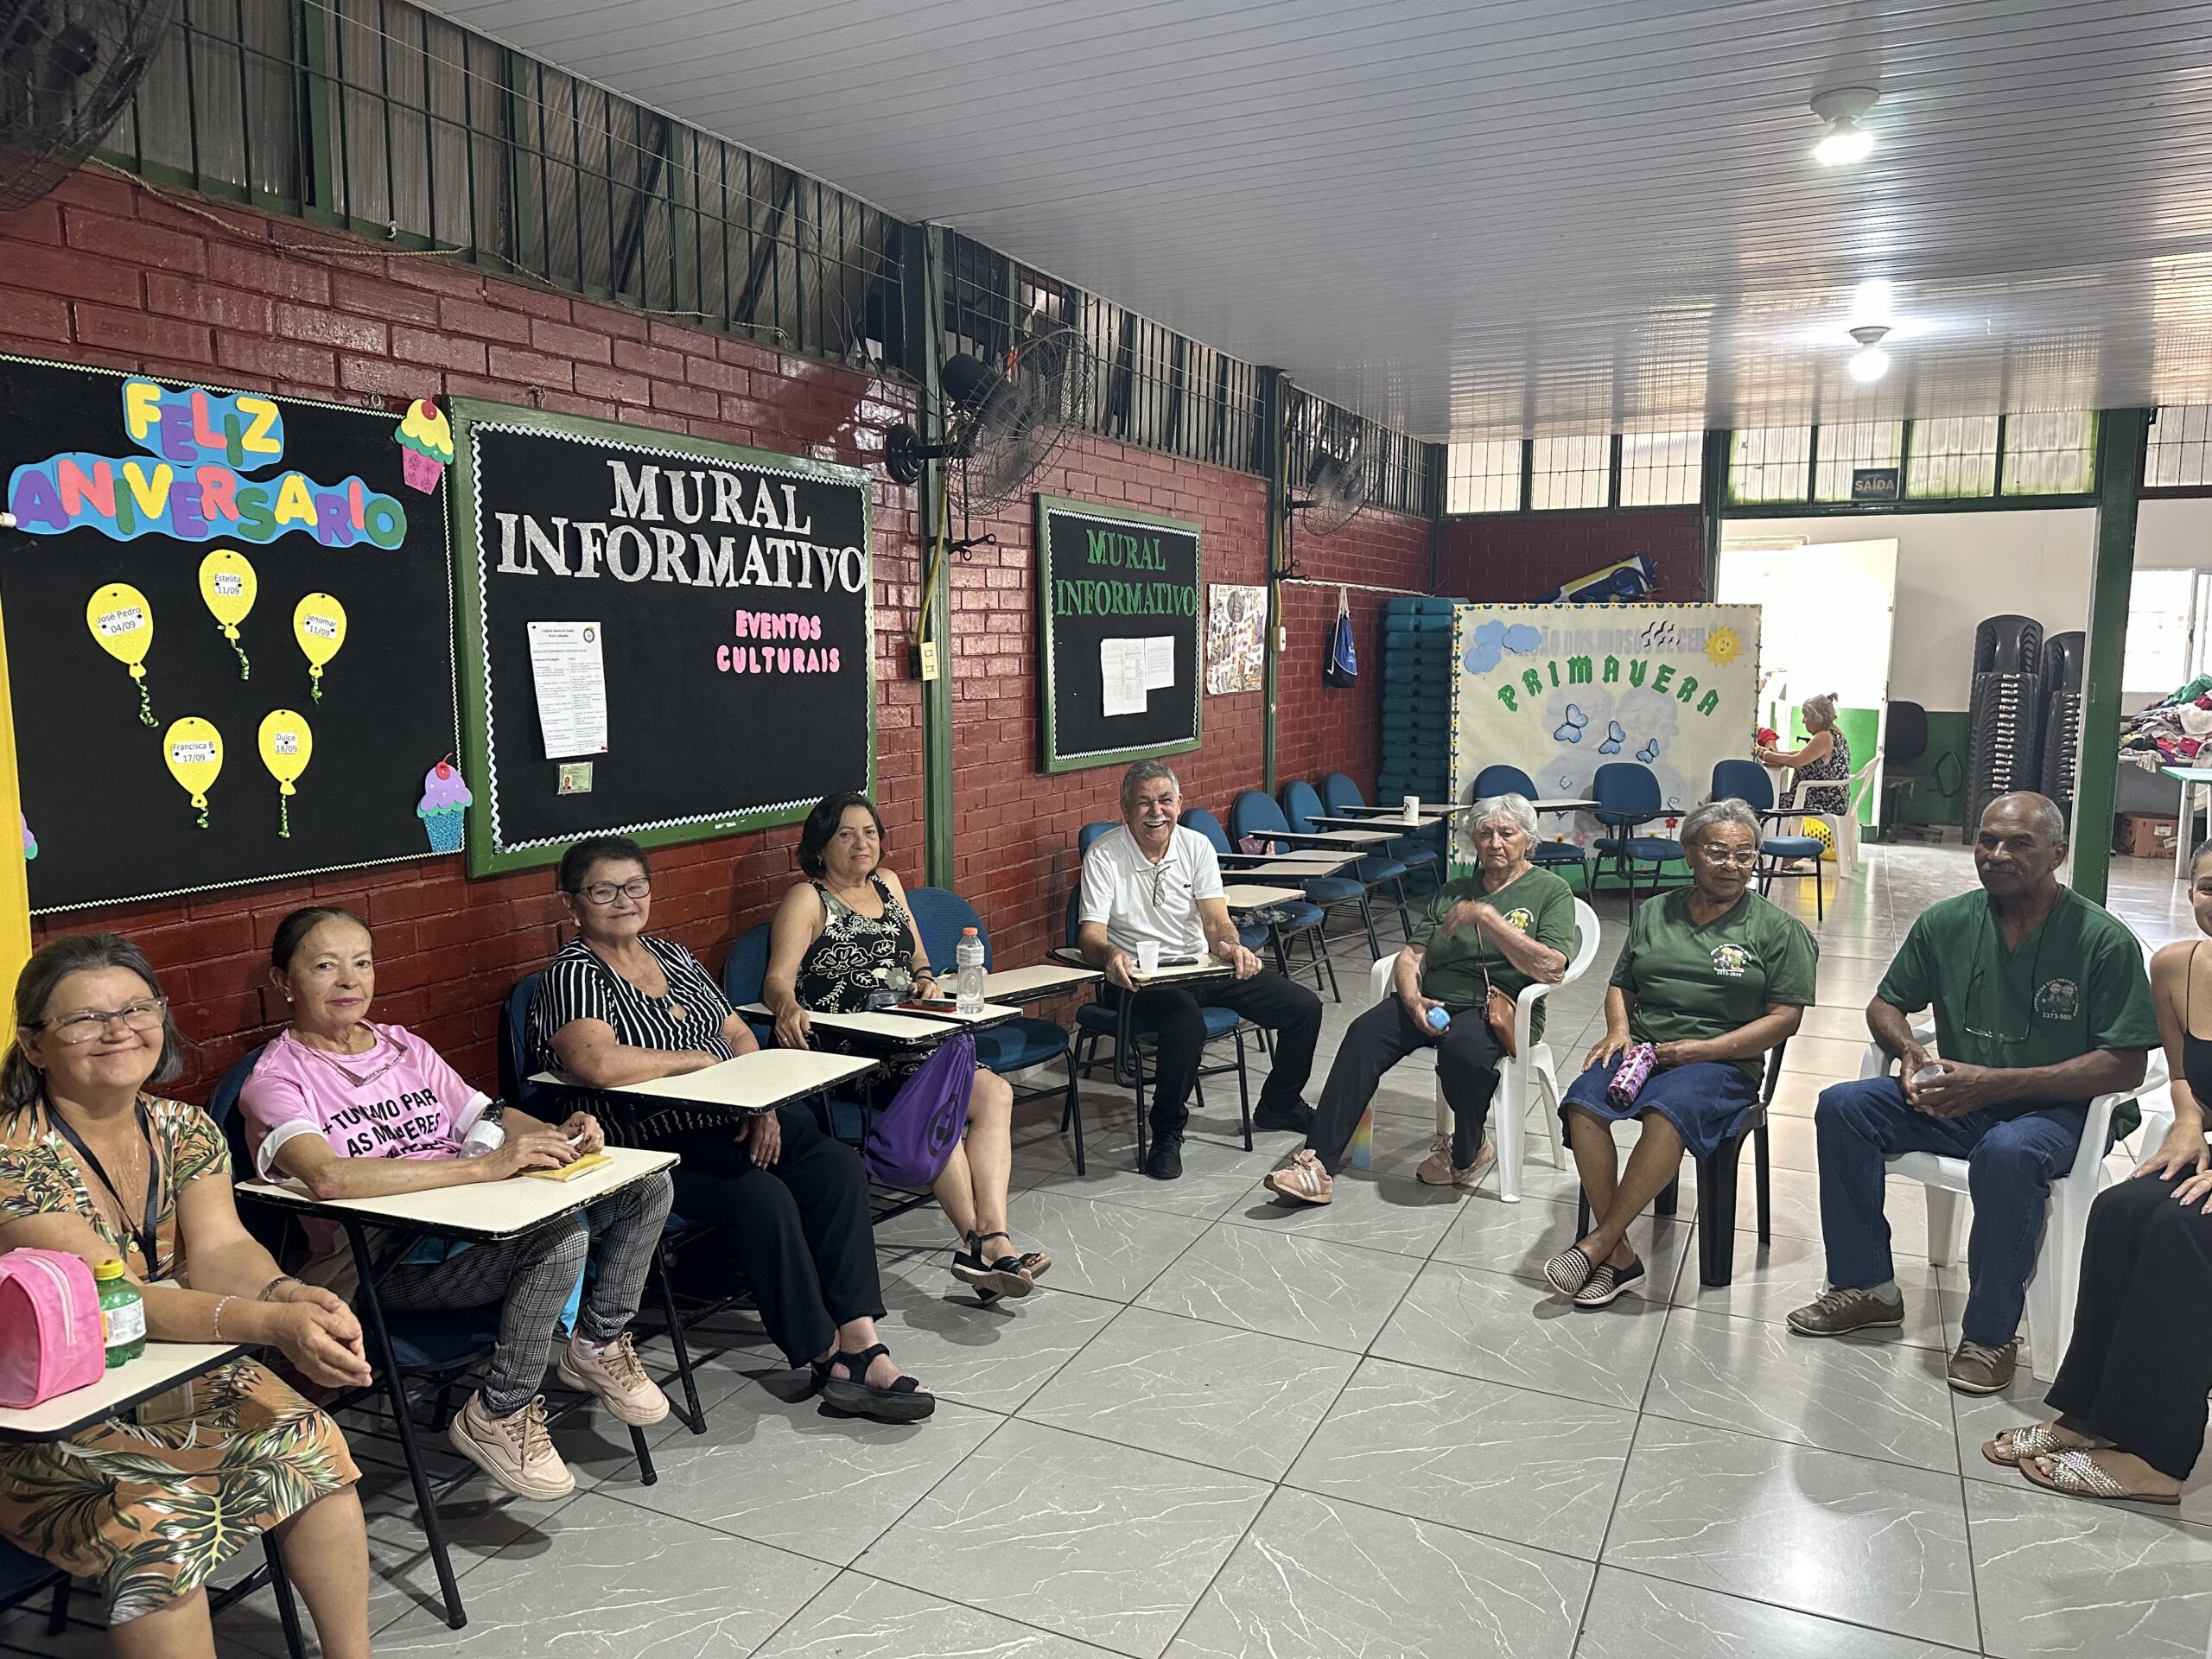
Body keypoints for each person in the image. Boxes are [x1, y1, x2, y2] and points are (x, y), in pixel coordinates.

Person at [0, 934, 373, 1658]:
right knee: (161, 1523)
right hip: (51, 1406)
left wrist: (293, 1295)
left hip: (176, 1370)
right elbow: (117, 1296)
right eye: (84, 1019)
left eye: (137, 1008)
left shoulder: (183, 1127)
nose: (118, 1030)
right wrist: (271, 1324)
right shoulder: (14, 1157)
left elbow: (224, 1252)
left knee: (309, 1441)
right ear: (34, 1046)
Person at [239, 906, 675, 1503]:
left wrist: (556, 1131)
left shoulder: (400, 1046)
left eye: (362, 963)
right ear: (283, 982)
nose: (349, 981)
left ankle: (597, 1343)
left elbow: (487, 1115)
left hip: (478, 1229)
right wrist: (482, 1167)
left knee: (645, 1188)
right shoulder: (276, 1079)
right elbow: (329, 1178)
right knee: (558, 1240)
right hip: (388, 1265)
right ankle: (500, 1411)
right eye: (324, 966)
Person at [531, 836, 931, 1422]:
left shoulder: (673, 956)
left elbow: (740, 1036)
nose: (623, 900)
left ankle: (861, 1340)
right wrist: (696, 1061)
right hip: (654, 1146)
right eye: (603, 890)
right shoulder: (573, 974)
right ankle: (822, 1355)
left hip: (736, 1116)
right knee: (760, 1196)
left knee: (836, 1167)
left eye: (635, 886)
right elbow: (599, 1063)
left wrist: (761, 1105)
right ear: (573, 903)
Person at [1790, 792, 2158, 1395]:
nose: (1996, 854)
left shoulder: (2101, 941)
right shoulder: (1949, 923)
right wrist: (1910, 1053)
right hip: (1961, 1101)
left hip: (2057, 1114)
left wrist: (1995, 1084)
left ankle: (1990, 1336)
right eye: (1987, 840)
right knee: (1845, 1108)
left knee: (2008, 1154)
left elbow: (2122, 1064)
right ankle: (1866, 1287)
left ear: (2058, 854)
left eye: (2019, 843)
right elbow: (1886, 1003)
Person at [1983, 836, 2212, 1503]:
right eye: (2207, 886)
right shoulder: (2178, 967)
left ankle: (2157, 1458)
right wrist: (2193, 1126)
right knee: (2120, 1209)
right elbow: (2181, 1085)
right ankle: (2088, 1414)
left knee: (2183, 1233)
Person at [766, 793, 1043, 1297]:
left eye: (869, 832)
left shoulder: (889, 885)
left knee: (995, 1093)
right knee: (944, 1103)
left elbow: (916, 955)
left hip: (911, 1032)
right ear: (820, 846)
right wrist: (787, 1007)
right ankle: (980, 1244)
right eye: (845, 834)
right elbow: (777, 981)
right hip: (851, 1048)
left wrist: (925, 981)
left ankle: (995, 1239)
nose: (861, 844)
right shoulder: (807, 898)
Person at [1545, 798, 1815, 1308]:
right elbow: (1621, 982)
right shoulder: (1655, 910)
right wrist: (1619, 1029)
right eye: (1717, 851)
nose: (1732, 865)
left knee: (1666, 1114)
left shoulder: (1778, 930)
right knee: (1583, 1101)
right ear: (1689, 853)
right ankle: (1621, 1254)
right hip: (1646, 1050)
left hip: (1723, 1062)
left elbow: (1786, 1018)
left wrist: (1705, 1050)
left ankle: (1599, 1244)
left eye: (1744, 854)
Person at [1265, 792, 1574, 1205]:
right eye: (1485, 833)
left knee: (1462, 1050)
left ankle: (1469, 1148)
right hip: (1433, 1000)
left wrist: (1487, 918)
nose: (1495, 843)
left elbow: (1551, 967)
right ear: (1474, 841)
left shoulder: (1550, 890)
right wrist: (1412, 1002)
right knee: (1363, 1034)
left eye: (1507, 833)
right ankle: (1317, 1163)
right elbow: (1411, 957)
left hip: (1500, 1007)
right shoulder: (1453, 891)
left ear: (1528, 840)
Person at [1078, 760, 1324, 1181]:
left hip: (1200, 967)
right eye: (1143, 803)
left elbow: (1215, 921)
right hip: (1138, 979)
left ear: (1179, 803)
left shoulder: (1196, 847)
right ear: (1124, 808)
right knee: (1185, 1022)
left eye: (1165, 801)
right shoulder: (1105, 854)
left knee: (1303, 1007)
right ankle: (1168, 1132)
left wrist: (1231, 946)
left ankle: (1279, 1103)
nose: (1156, 812)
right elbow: (1090, 937)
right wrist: (1111, 956)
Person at [1755, 693, 1852, 872]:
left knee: (1773, 804)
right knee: (1780, 801)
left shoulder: (1824, 737)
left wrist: (1767, 754)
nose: (1803, 721)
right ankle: (1784, 855)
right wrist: (1778, 755)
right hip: (1831, 797)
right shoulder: (1834, 733)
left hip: (1822, 800)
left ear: (1817, 717)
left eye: (1806, 716)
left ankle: (1776, 856)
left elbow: (1798, 761)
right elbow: (1802, 754)